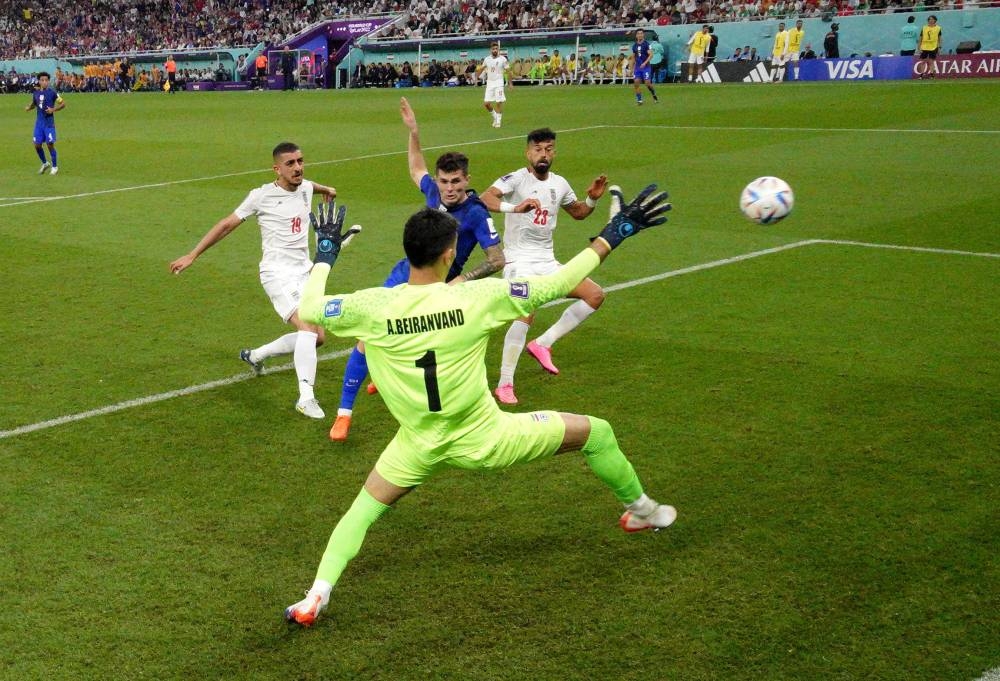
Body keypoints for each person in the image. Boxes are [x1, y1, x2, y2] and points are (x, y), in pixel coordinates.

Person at [284, 185, 676, 628]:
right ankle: (642, 510)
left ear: (408, 252)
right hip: (488, 438)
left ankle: (315, 596)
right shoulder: (479, 298)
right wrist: (613, 233)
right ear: (450, 254)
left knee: (361, 512)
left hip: (416, 445)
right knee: (597, 433)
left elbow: (310, 308)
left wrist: (326, 254)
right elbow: (559, 283)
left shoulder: (372, 306)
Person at [330, 98, 505, 442]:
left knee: (426, 343)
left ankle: (390, 379)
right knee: (368, 337)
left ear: (467, 180)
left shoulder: (476, 213)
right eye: (444, 181)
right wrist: (414, 132)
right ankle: (344, 414)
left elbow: (498, 259)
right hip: (404, 274)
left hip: (440, 289)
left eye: (456, 182)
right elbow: (415, 169)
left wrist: (460, 280)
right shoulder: (434, 192)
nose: (450, 188)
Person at [168, 143, 338, 419]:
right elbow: (226, 224)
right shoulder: (261, 196)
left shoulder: (306, 187)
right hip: (277, 274)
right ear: (277, 169)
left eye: (300, 161)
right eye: (290, 163)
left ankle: (256, 355)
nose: (297, 168)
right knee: (307, 330)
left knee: (317, 338)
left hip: (304, 272)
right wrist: (193, 254)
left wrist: (327, 189)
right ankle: (306, 398)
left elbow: (312, 186)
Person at [480, 129, 608, 405]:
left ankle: (542, 343)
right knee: (526, 310)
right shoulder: (516, 178)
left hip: (548, 263)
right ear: (528, 153)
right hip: (518, 261)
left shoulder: (560, 183)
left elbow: (578, 212)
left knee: (595, 295)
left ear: (554, 153)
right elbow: (485, 198)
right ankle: (505, 384)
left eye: (548, 149)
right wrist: (515, 208)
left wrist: (592, 199)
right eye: (538, 149)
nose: (543, 154)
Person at [26, 72, 64, 176]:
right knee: (37, 145)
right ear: (39, 81)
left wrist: (53, 109)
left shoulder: (52, 93)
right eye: (42, 80)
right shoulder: (36, 93)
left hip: (49, 123)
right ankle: (45, 163)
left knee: (50, 144)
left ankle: (55, 167)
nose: (44, 82)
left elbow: (63, 104)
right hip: (39, 124)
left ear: (48, 81)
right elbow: (34, 104)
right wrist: (29, 107)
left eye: (46, 80)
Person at [476, 42, 510, 128]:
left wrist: (510, 83)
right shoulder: (487, 59)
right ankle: (495, 117)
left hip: (499, 82)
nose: (495, 50)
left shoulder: (503, 59)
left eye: (496, 49)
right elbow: (482, 68)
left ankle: (498, 122)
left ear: (498, 50)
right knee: (486, 104)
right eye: (493, 49)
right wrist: (477, 75)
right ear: (490, 50)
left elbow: (508, 71)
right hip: (490, 83)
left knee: (498, 102)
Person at [631, 29, 659, 103]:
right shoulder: (634, 46)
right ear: (636, 35)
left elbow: (651, 55)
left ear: (643, 35)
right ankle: (639, 100)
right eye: (638, 34)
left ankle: (654, 94)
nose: (640, 35)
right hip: (637, 68)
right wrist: (631, 68)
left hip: (646, 67)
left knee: (647, 83)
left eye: (641, 33)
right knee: (636, 83)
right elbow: (633, 57)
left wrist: (644, 63)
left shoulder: (647, 44)